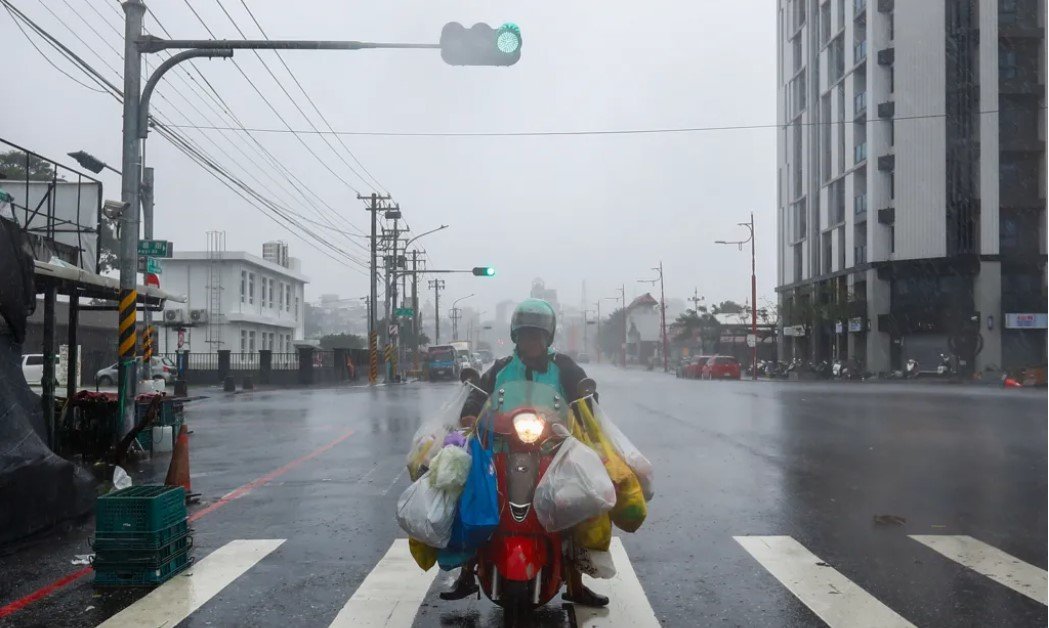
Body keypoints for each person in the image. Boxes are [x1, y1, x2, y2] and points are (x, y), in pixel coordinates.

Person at [439, 298, 609, 608]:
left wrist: (586, 406)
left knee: (575, 505)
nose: (532, 340)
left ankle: (576, 582)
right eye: (526, 335)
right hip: (503, 449)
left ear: (547, 337)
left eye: (538, 335)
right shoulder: (501, 368)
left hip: (553, 452)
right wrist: (470, 413)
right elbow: (479, 394)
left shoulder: (564, 367)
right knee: (475, 497)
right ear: (516, 337)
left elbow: (583, 397)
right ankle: (465, 572)